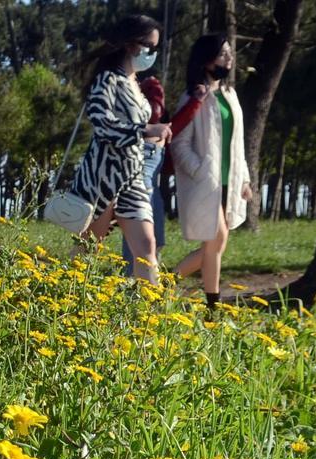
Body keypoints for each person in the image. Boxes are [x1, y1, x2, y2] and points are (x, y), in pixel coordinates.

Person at [71, 14, 171, 284]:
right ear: (131, 44)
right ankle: (63, 305)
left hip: (133, 176)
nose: (152, 53)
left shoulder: (135, 83)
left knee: (146, 248)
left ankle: (147, 317)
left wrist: (152, 135)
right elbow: (101, 124)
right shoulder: (108, 79)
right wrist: (146, 130)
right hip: (104, 176)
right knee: (88, 249)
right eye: (149, 46)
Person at [168, 34, 254, 310]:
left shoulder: (230, 94)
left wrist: (245, 179)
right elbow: (178, 142)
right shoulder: (194, 96)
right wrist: (200, 169)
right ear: (206, 61)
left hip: (230, 180)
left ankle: (165, 284)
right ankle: (212, 306)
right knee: (217, 239)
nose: (229, 59)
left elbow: (238, 142)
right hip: (206, 182)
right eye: (223, 54)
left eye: (230, 54)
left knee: (214, 246)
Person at [120, 76, 208, 274]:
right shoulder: (136, 117)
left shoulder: (160, 124)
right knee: (141, 240)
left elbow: (173, 127)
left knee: (154, 240)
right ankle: (131, 284)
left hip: (151, 181)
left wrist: (195, 102)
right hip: (140, 178)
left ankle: (145, 284)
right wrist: (195, 102)